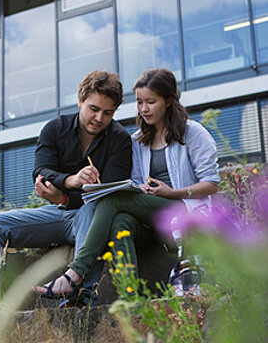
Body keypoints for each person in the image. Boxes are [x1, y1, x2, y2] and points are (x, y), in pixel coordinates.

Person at [38, 68, 220, 295]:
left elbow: (212, 183)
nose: (144, 109)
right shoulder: (137, 140)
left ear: (169, 101)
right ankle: (130, 297)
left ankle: (75, 274)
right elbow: (133, 183)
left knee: (111, 201)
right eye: (140, 102)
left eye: (151, 102)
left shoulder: (192, 133)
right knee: (121, 222)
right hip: (150, 215)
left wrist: (171, 192)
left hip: (183, 210)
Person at [0, 70, 143, 301]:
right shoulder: (55, 129)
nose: (99, 118)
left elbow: (109, 197)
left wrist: (64, 198)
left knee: (91, 211)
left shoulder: (120, 139)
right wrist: (70, 181)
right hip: (57, 214)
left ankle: (81, 299)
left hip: (93, 215)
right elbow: (41, 170)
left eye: (108, 113)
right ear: (80, 101)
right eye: (93, 109)